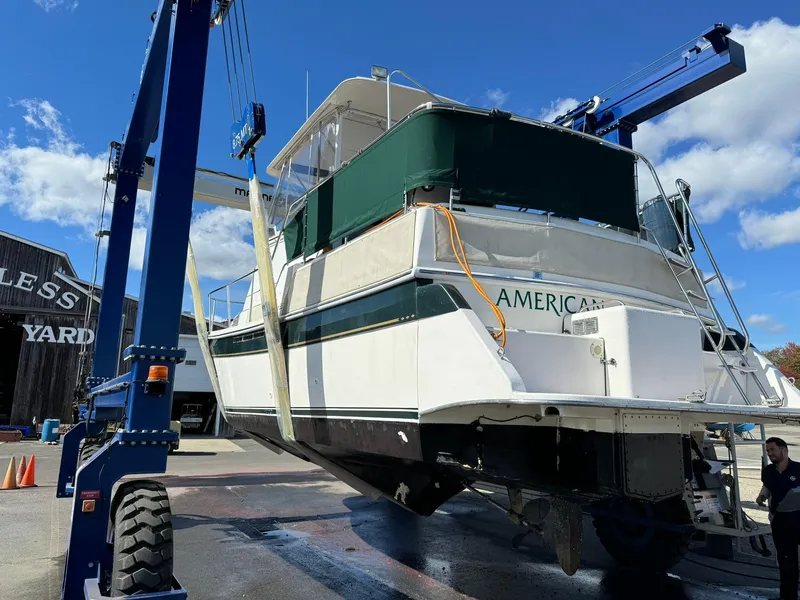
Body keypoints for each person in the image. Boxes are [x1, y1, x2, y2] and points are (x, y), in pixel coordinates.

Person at [759, 437, 800, 600]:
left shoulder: (798, 469)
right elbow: (767, 487)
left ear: (783, 450)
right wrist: (761, 497)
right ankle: (788, 597)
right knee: (786, 561)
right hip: (780, 521)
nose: (770, 454)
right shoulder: (768, 471)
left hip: (798, 517)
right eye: (768, 451)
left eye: (772, 450)